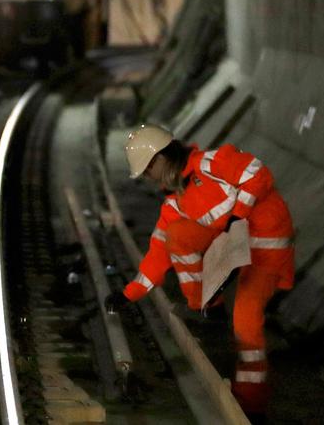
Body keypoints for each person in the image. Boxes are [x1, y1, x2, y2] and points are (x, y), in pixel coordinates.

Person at [104, 125, 295, 418]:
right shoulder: (175, 202)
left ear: (158, 160)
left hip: (265, 245)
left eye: (146, 171)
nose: (146, 178)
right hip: (235, 243)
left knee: (246, 323)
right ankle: (207, 306)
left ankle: (250, 404)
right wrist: (129, 294)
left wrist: (237, 216)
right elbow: (158, 251)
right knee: (175, 235)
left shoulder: (211, 164)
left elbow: (257, 173)